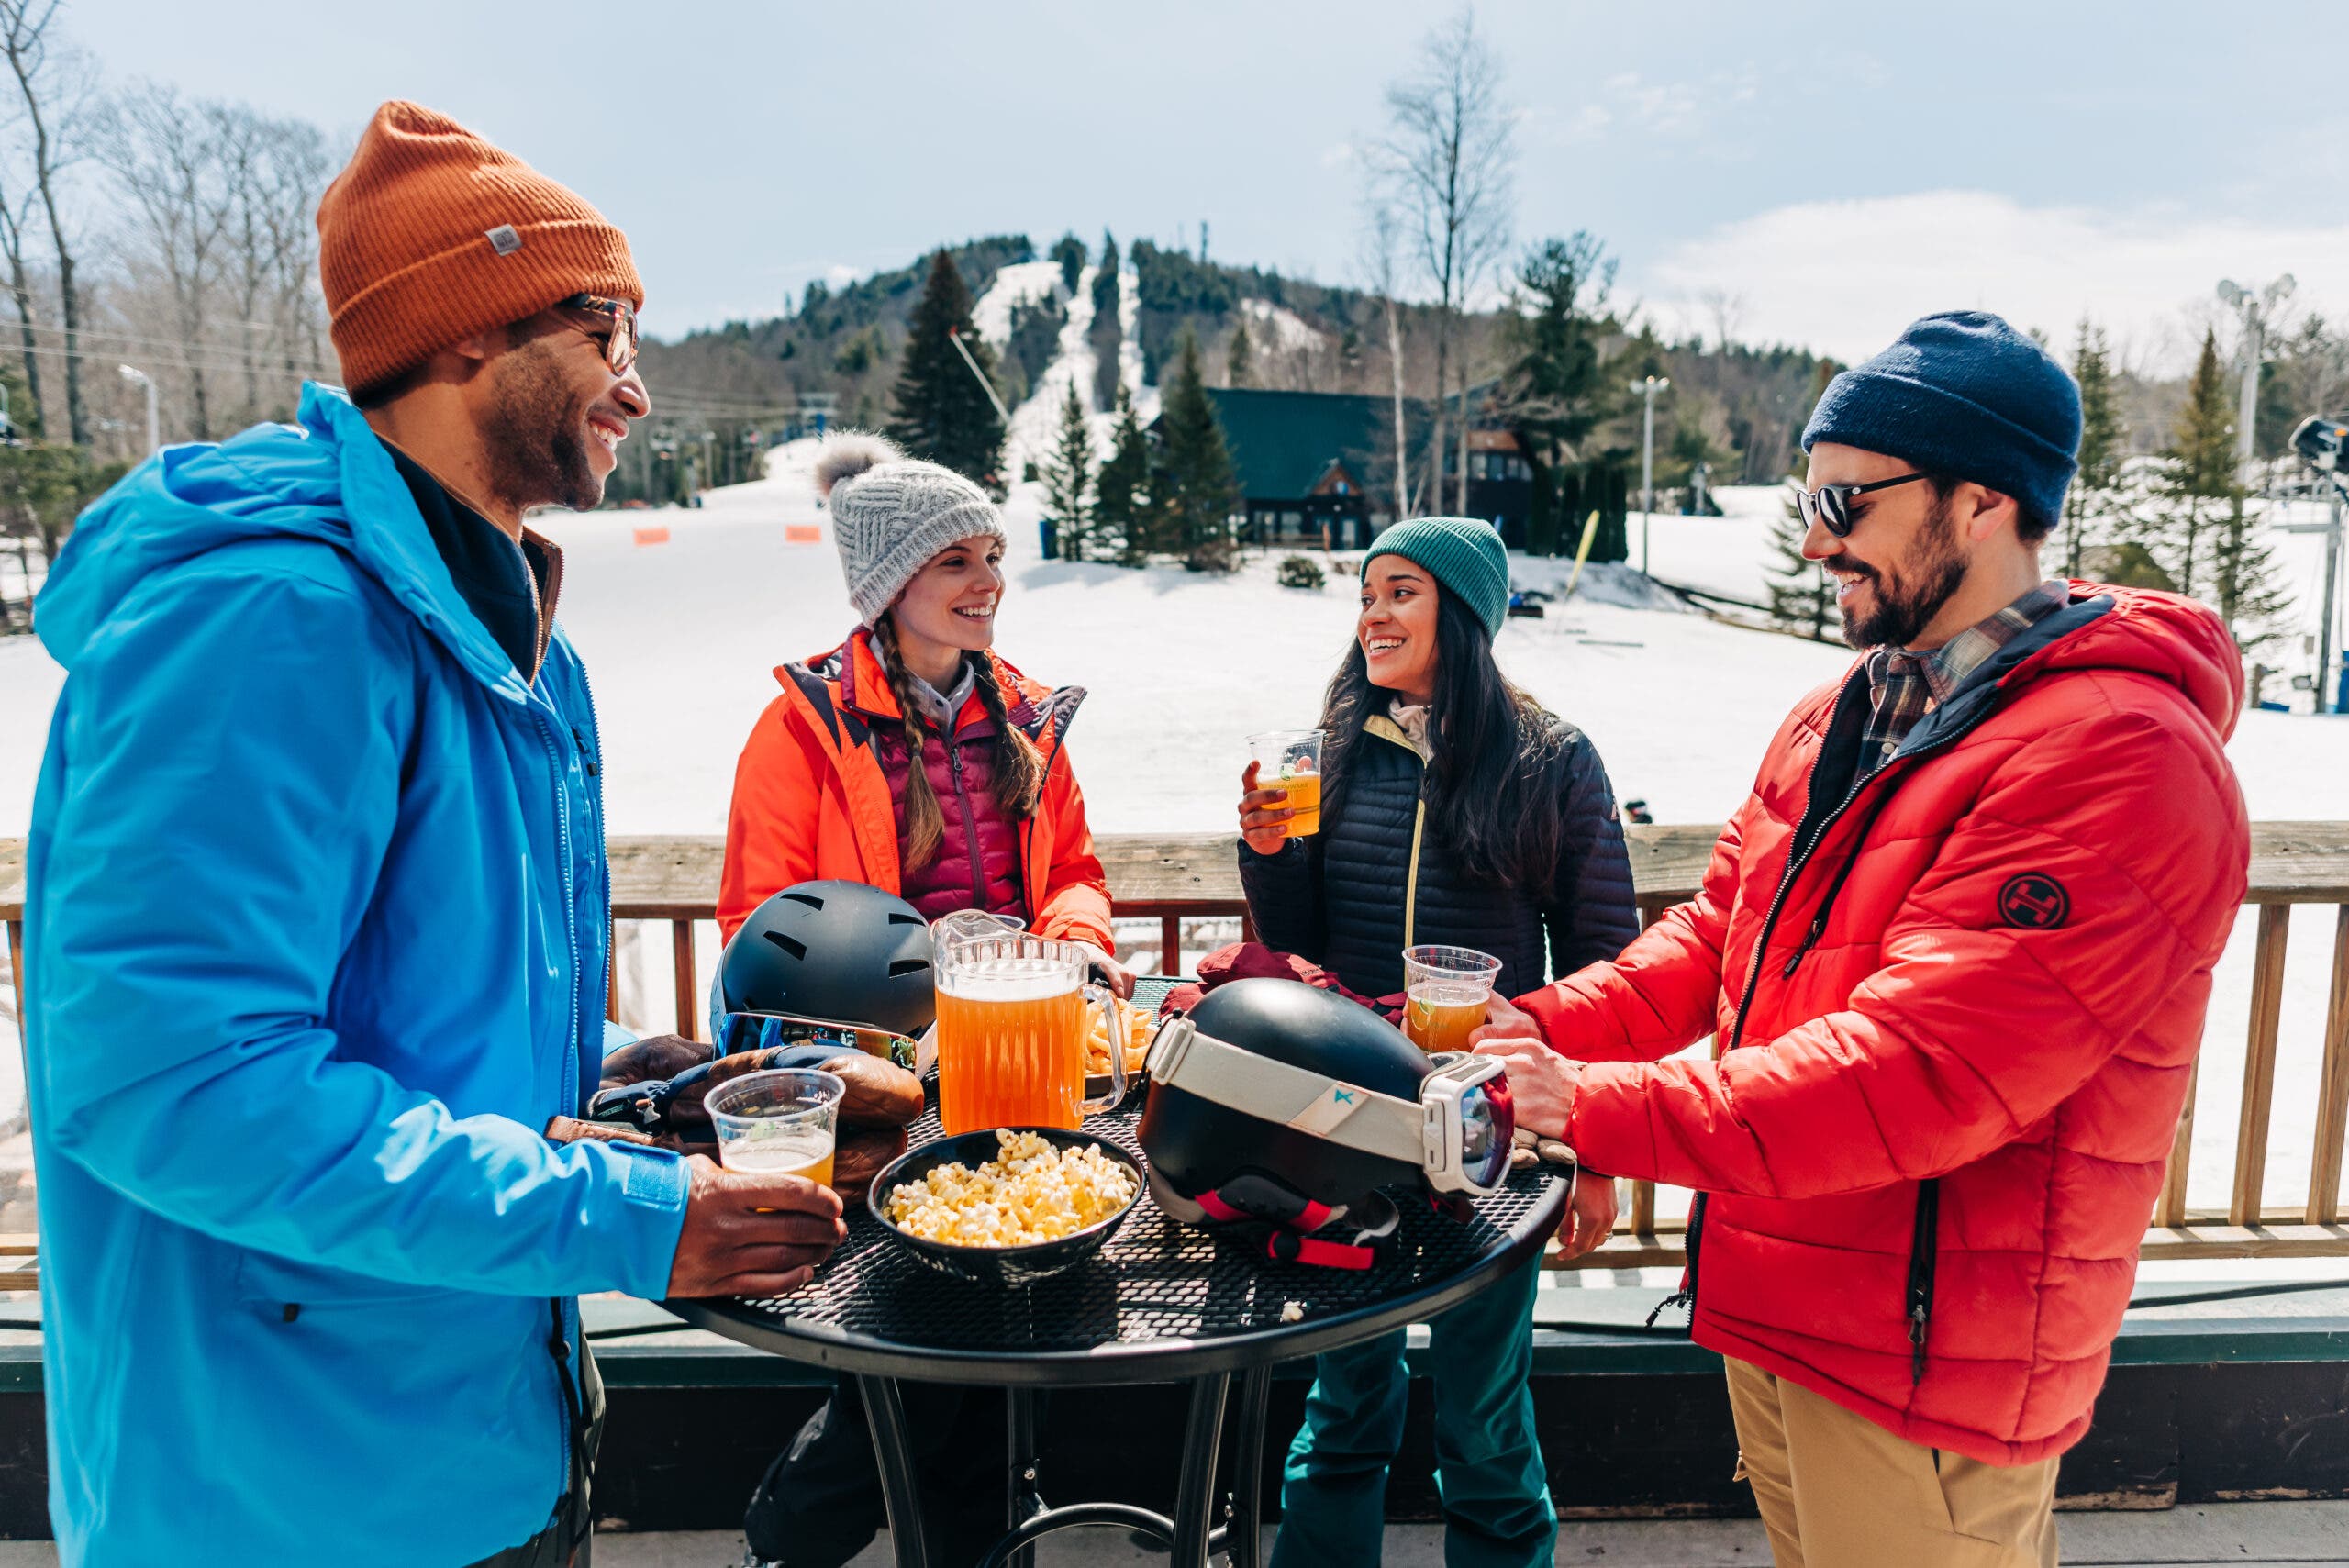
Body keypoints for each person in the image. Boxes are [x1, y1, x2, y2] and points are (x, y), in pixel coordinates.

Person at [21, 102, 843, 1568]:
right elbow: (175, 1083)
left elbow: (415, 1015)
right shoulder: (268, 618)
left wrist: (626, 1069)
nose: (637, 384)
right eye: (605, 328)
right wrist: (626, 1216)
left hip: (475, 1438)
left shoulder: (512, 642)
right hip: (283, 1501)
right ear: (466, 329)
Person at [1473, 312, 2253, 1568]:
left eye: (1846, 501)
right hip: (1782, 1295)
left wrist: (1588, 1105)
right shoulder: (1842, 709)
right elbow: (1716, 939)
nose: (1813, 538)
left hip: (1927, 1359)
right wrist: (1529, 1029)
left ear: (1983, 500)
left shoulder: (2118, 753)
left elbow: (1919, 1070)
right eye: (1809, 498)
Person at [722, 432, 1124, 1566]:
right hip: (886, 1077)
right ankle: (792, 1540)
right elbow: (763, 918)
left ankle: (914, 1543)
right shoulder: (806, 724)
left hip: (1022, 1058)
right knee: (914, 1356)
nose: (987, 579)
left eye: (992, 554)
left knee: (984, 1355)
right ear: (888, 581)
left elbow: (1073, 870)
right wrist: (888, 998)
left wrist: (1075, 943)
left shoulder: (1024, 716)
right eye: (955, 559)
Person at [1234, 516, 1640, 1568]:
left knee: (1484, 1413)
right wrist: (1269, 851)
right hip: (1350, 1120)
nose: (1373, 613)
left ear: (1461, 613)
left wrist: (1594, 1150)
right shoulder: (1334, 749)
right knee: (1345, 1400)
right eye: (1366, 593)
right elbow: (1295, 942)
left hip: (1492, 1132)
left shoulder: (1550, 759)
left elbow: (1604, 965)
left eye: (1401, 591)